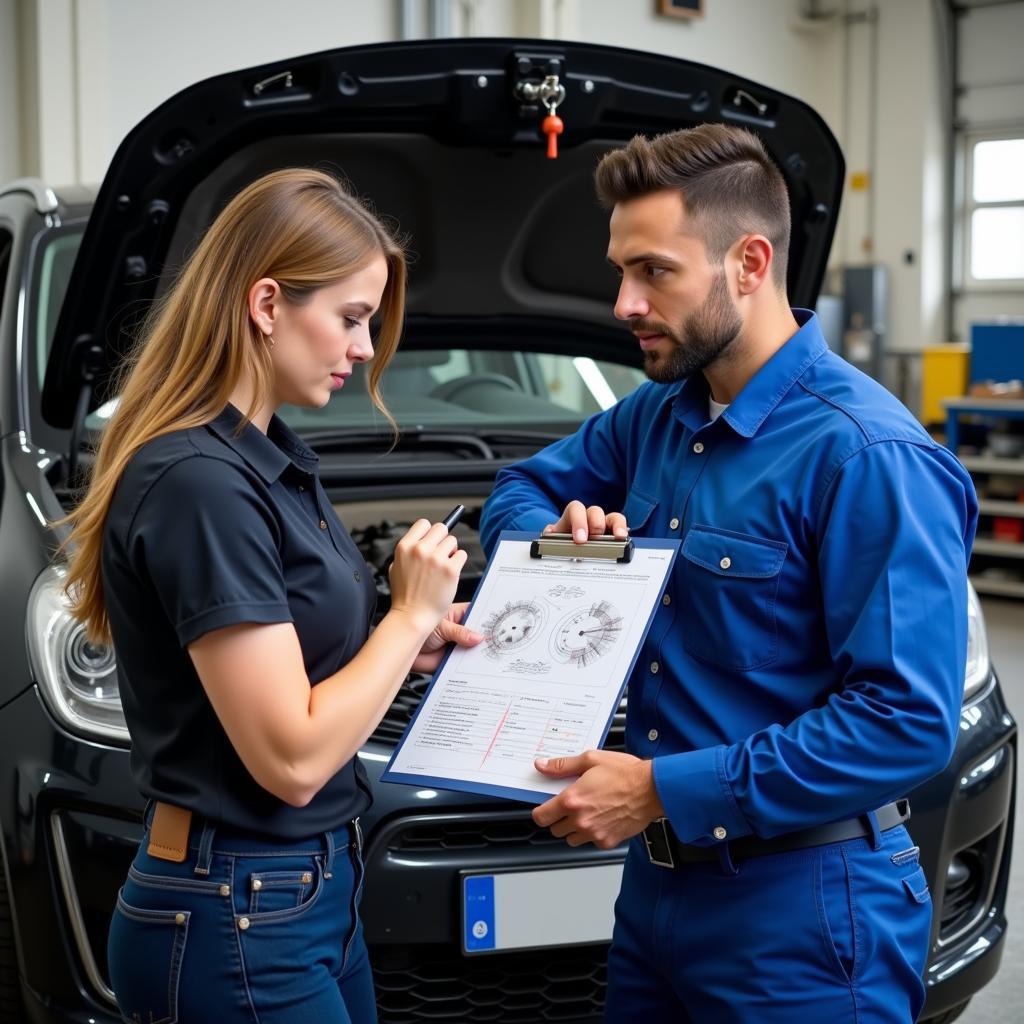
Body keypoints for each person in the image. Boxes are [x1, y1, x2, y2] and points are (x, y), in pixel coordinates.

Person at [479, 124, 978, 1023]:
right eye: (620, 271)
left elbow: (905, 725)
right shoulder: (657, 416)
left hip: (808, 914)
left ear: (749, 263)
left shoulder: (867, 457)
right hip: (658, 899)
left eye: (655, 272)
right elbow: (516, 491)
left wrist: (661, 790)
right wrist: (556, 533)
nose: (624, 304)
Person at [59, 168, 479, 1024]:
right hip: (234, 910)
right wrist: (403, 615)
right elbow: (289, 760)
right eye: (352, 318)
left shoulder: (270, 461)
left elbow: (309, 666)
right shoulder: (199, 483)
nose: (366, 350)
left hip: (305, 896)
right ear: (265, 304)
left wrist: (415, 639)